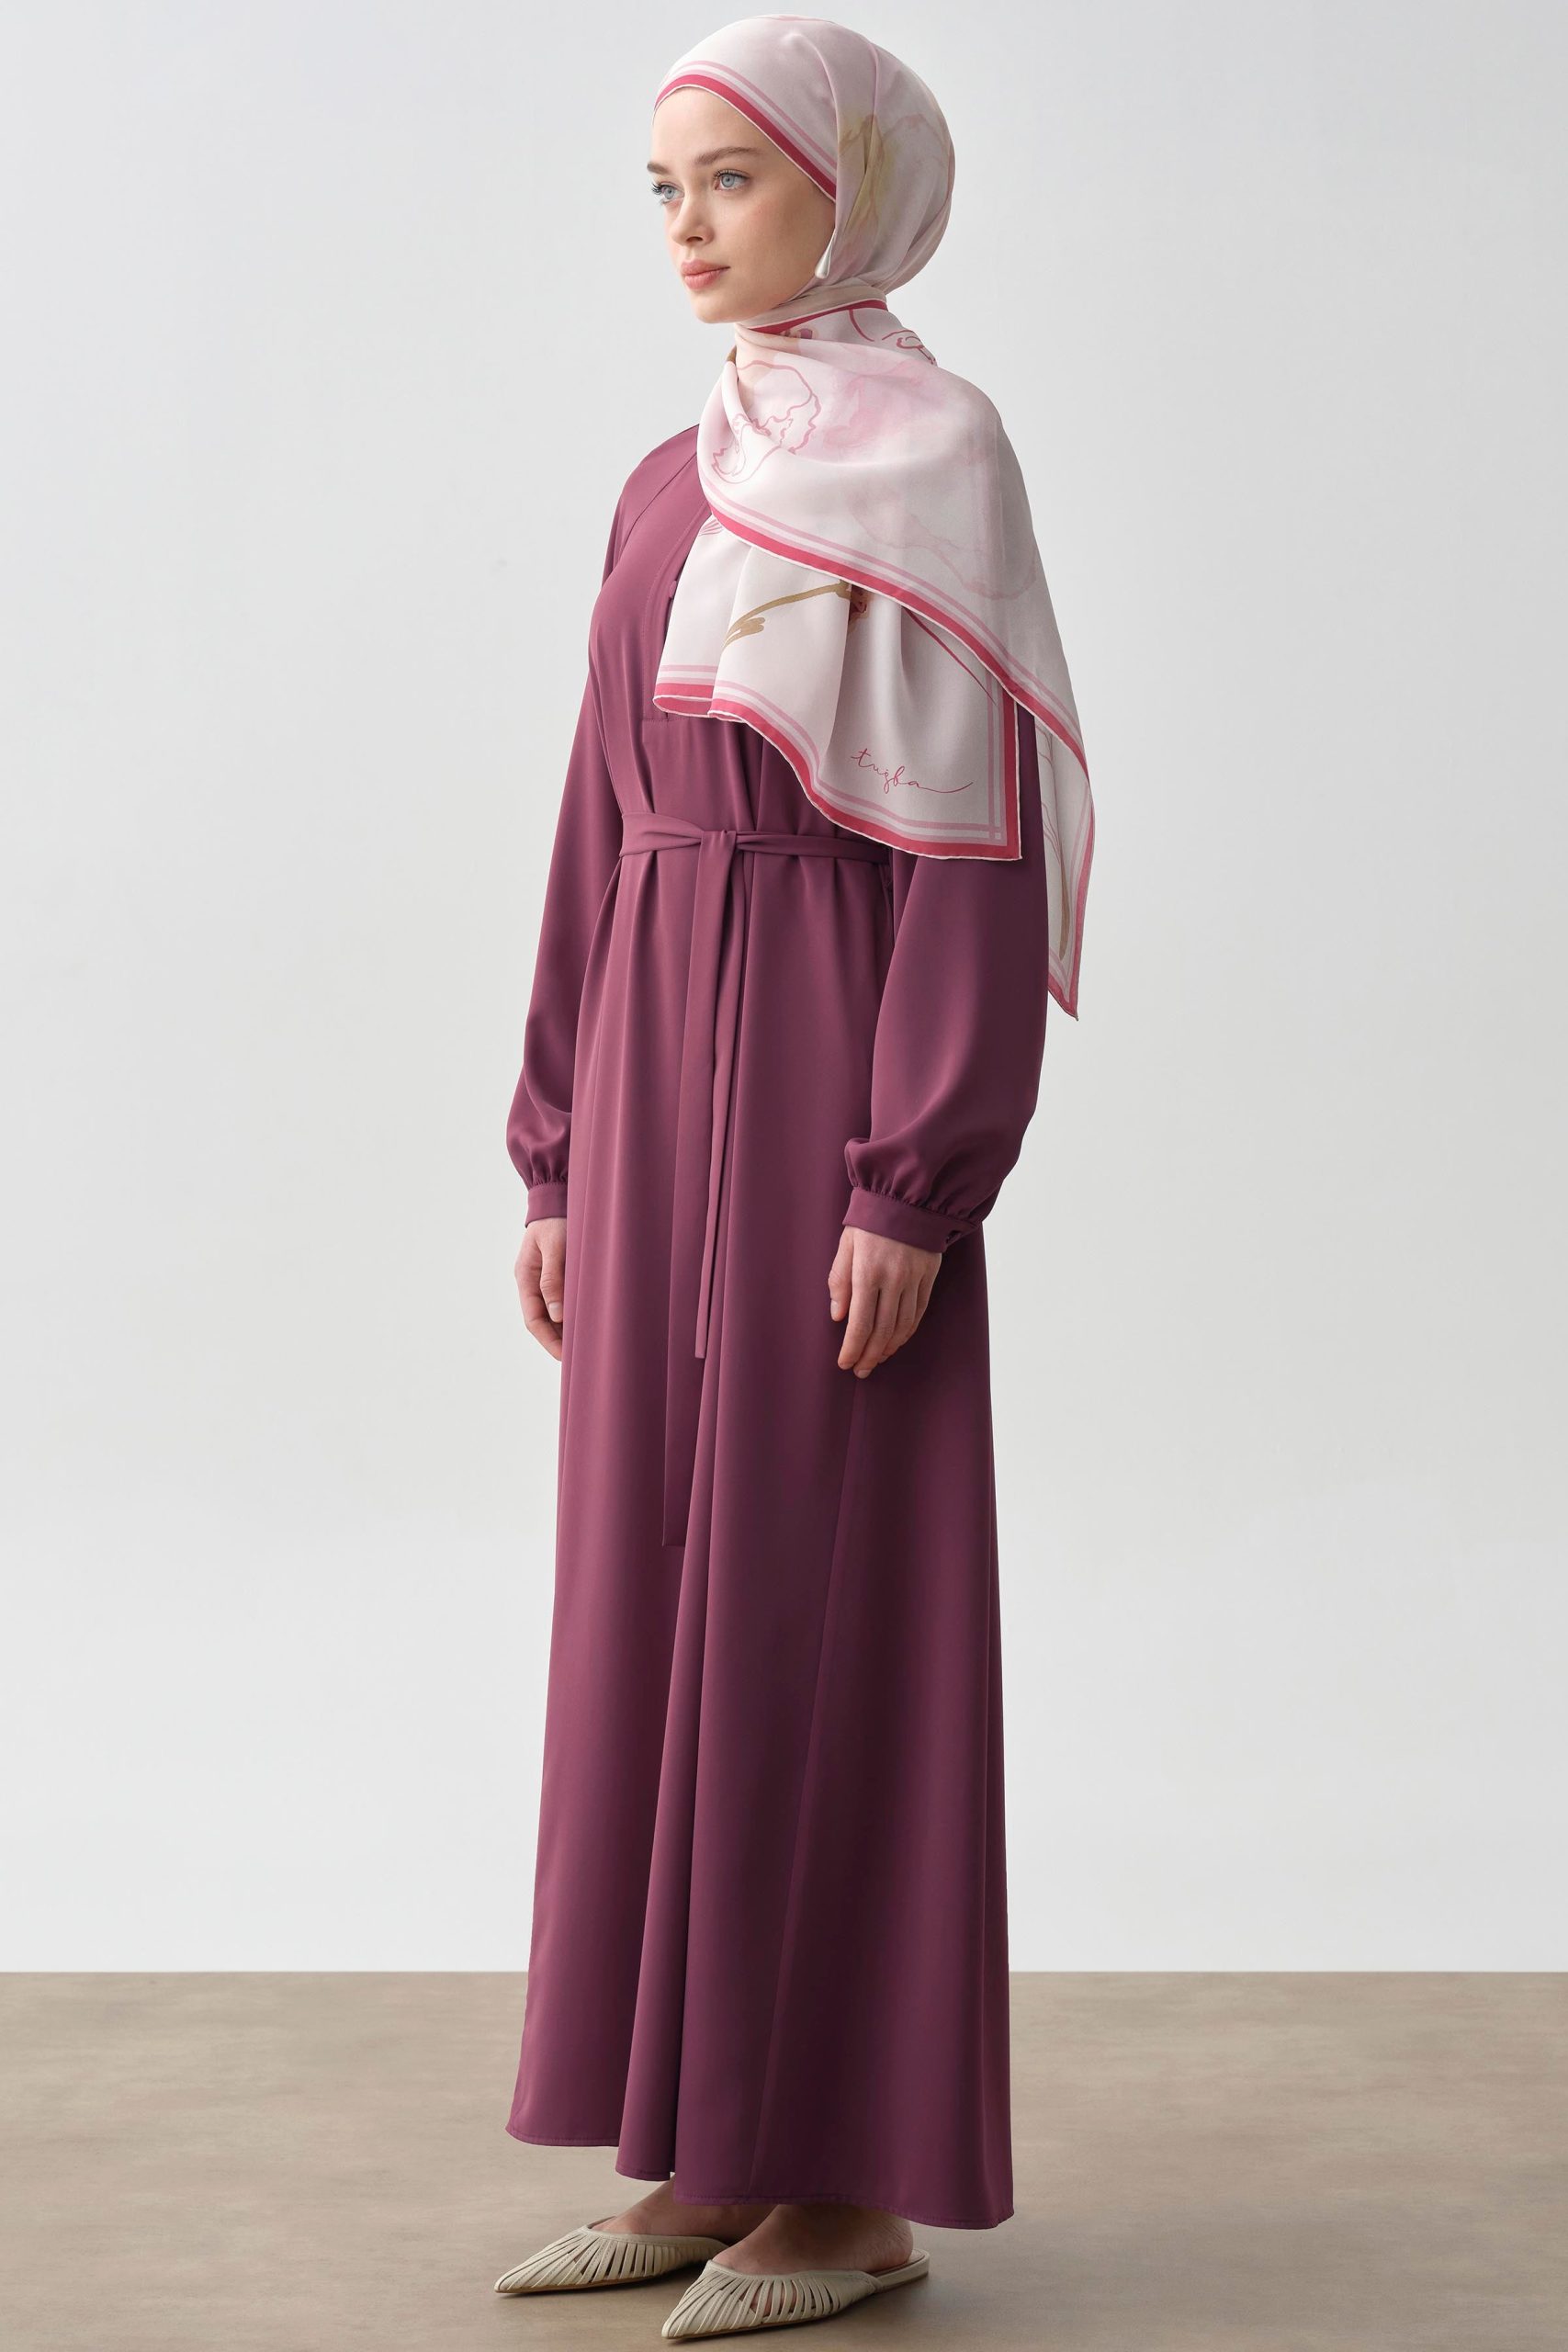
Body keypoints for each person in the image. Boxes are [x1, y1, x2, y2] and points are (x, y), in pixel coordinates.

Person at [492, 15, 1094, 2339]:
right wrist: (555, 1139)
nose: (685, 227)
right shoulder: (669, 480)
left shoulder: (934, 461)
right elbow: (594, 817)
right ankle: (704, 2140)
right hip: (654, 1069)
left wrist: (911, 1179)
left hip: (837, 1070)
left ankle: (846, 2191)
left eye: (728, 180)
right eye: (659, 187)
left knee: (817, 1586)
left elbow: (967, 848)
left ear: (850, 190)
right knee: (661, 1584)